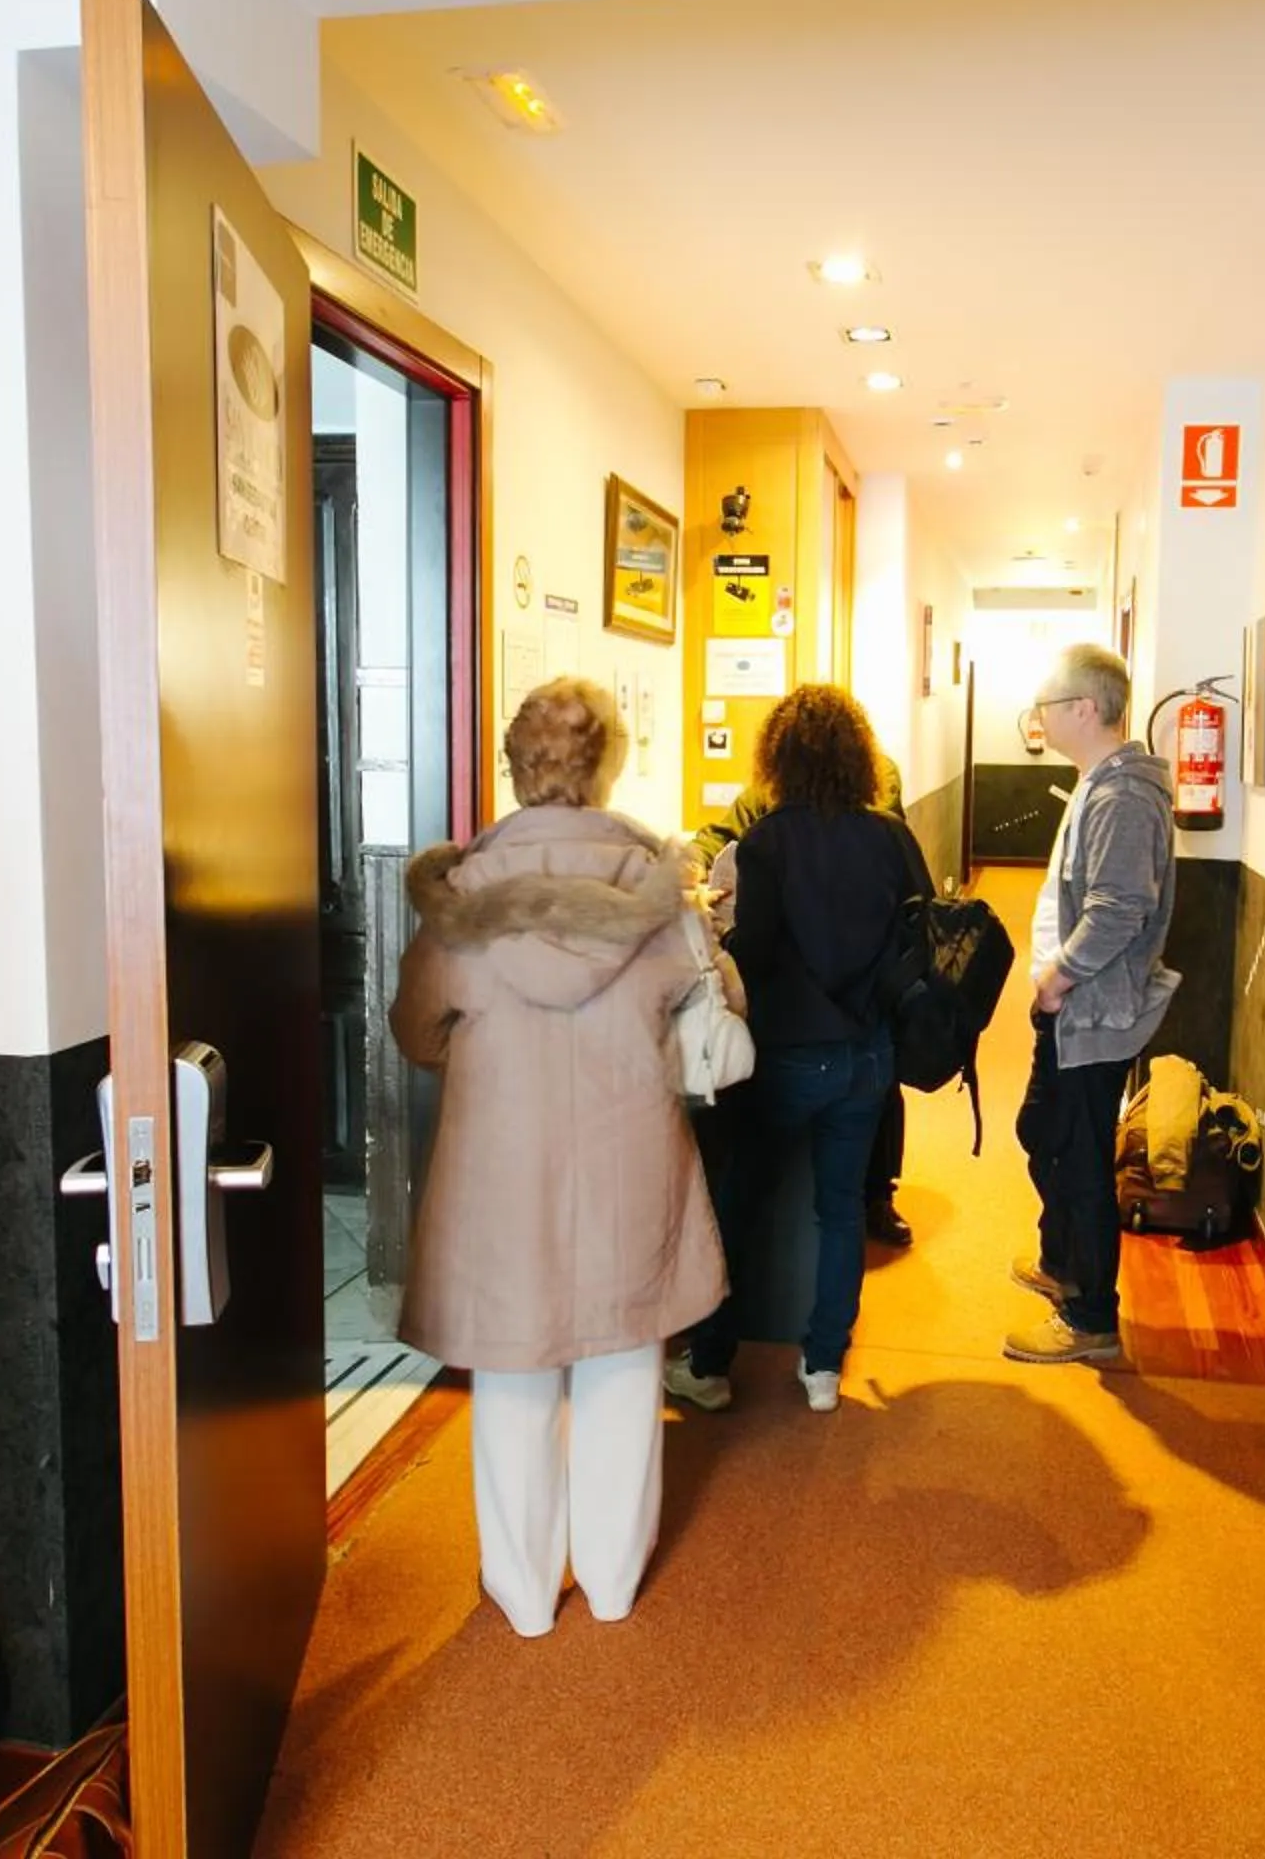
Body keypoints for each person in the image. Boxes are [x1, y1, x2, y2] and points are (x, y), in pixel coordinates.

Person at [389, 676, 735, 1637]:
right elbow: (711, 1008)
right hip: (630, 1163)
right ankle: (616, 1585)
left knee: (511, 1376)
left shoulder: (462, 895)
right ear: (607, 765)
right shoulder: (658, 889)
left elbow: (417, 1034)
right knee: (625, 1368)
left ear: (512, 765)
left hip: (500, 1175)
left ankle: (526, 1595)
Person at [669, 684, 928, 1415]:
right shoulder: (891, 838)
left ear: (775, 758)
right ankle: (821, 1367)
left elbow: (748, 949)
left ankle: (712, 1365)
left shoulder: (765, 845)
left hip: (786, 1056)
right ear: (859, 758)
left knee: (738, 1202)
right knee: (841, 1209)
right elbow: (919, 935)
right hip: (868, 1055)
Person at [1008, 644, 1179, 1364]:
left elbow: (1118, 909)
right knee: (1042, 1133)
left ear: (1084, 708)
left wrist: (1057, 979)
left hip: (1091, 1011)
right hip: (1073, 1009)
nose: (1037, 719)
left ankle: (1090, 1319)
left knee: (1078, 1159)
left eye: (1045, 706)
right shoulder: (1097, 783)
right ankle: (1063, 1262)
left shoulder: (1122, 796)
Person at [693, 745, 920, 1247]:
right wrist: (693, 863)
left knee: (749, 1186)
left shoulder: (863, 810)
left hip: (801, 1025)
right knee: (841, 1199)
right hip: (865, 1023)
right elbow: (920, 922)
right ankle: (866, 1215)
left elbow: (752, 948)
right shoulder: (777, 815)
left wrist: (728, 944)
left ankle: (877, 1197)